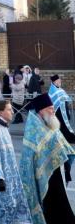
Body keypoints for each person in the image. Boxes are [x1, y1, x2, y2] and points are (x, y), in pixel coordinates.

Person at [20, 93, 75, 224]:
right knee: (51, 209)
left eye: (53, 107)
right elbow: (32, 159)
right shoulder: (34, 131)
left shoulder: (51, 124)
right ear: (41, 111)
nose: (53, 110)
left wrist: (66, 168)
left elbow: (63, 147)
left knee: (61, 206)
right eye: (50, 108)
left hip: (58, 174)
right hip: (45, 178)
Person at [0, 100, 31, 223]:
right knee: (2, 209)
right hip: (1, 179)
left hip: (11, 177)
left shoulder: (3, 127)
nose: (13, 112)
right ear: (1, 112)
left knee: (14, 206)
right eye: (9, 109)